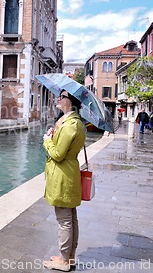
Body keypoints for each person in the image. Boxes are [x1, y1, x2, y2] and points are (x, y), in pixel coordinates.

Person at [42, 90, 86, 272]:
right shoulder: (72, 123)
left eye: (63, 96)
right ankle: (69, 257)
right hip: (69, 173)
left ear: (71, 101)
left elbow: (58, 154)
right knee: (71, 217)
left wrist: (47, 141)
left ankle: (64, 261)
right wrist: (54, 134)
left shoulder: (70, 125)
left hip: (63, 175)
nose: (59, 99)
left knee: (64, 220)